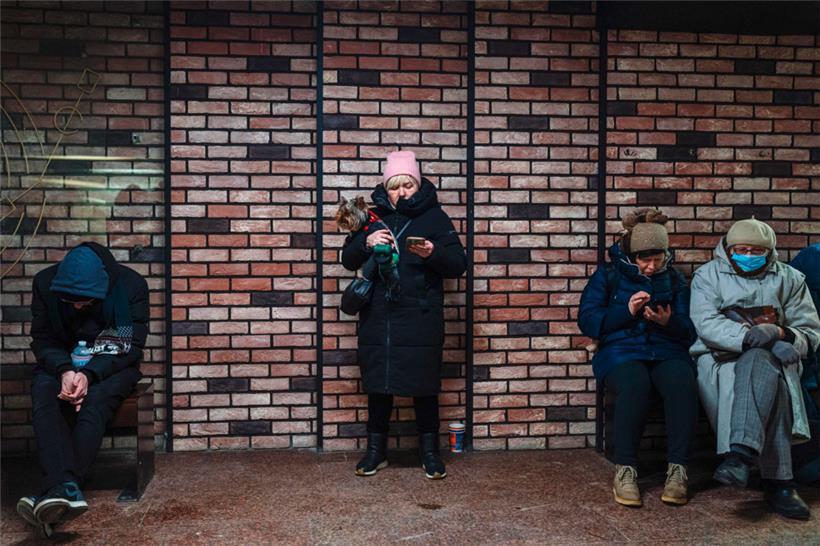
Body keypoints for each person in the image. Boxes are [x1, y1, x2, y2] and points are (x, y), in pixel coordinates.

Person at [341, 150, 467, 479]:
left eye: (407, 185)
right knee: (379, 386)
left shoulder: (435, 217)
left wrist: (432, 251)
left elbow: (458, 264)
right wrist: (365, 242)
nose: (401, 193)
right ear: (387, 188)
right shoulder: (372, 217)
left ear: (417, 184)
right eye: (395, 186)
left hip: (420, 316)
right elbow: (347, 259)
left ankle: (430, 454)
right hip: (378, 316)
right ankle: (375, 453)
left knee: (424, 386)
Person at [690, 218, 820, 520]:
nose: (749, 255)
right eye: (742, 249)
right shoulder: (708, 276)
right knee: (763, 372)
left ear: (770, 251)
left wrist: (782, 335)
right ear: (729, 249)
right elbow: (707, 323)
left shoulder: (790, 278)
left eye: (756, 250)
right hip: (724, 356)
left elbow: (810, 329)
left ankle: (740, 453)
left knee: (763, 367)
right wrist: (755, 339)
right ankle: (780, 483)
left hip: (778, 357)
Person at [16, 242, 149, 535]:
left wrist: (89, 375)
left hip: (113, 361)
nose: (77, 307)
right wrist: (65, 371)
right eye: (71, 302)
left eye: (84, 302)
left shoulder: (130, 285)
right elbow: (43, 339)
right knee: (44, 393)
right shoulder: (45, 283)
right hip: (63, 361)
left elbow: (130, 345)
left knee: (97, 399)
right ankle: (66, 490)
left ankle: (56, 489)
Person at [578, 208, 698, 507]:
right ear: (631, 255)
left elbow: (689, 332)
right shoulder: (607, 276)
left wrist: (667, 322)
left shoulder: (674, 280)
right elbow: (589, 321)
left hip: (666, 348)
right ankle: (626, 469)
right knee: (635, 385)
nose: (650, 266)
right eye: (645, 259)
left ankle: (678, 470)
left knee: (683, 382)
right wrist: (627, 311)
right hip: (620, 351)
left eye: (657, 260)